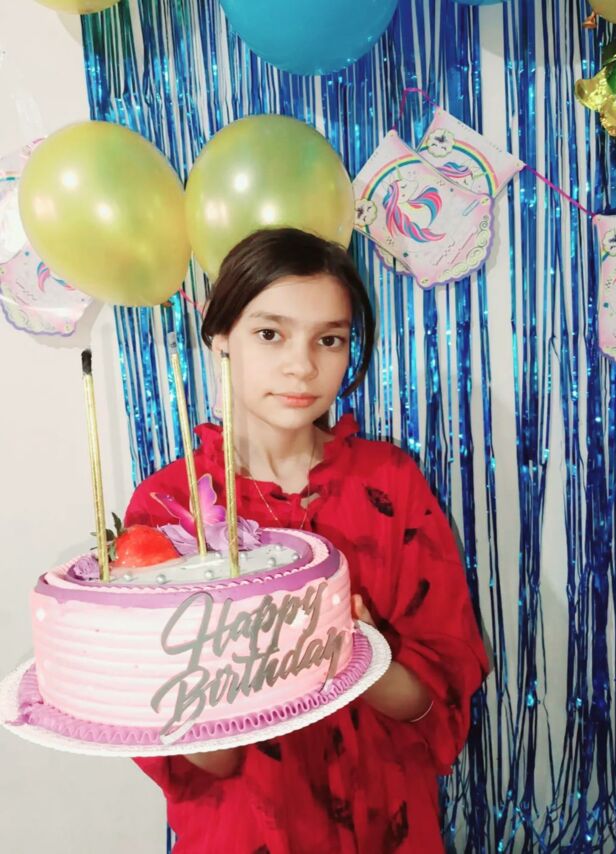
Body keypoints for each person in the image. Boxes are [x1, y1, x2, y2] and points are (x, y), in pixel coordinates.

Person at [124, 227, 489, 854]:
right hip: (250, 830)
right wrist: (224, 671)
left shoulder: (389, 482)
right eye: (271, 333)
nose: (303, 365)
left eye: (329, 339)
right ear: (220, 338)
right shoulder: (169, 508)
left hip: (386, 824)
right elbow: (201, 761)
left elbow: (433, 703)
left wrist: (359, 655)